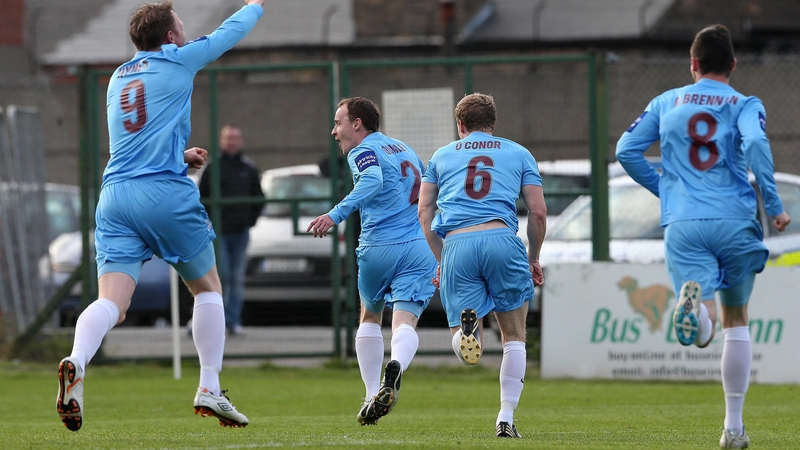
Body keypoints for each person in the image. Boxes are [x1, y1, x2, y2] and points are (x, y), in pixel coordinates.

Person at [55, 0, 265, 432]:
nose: (186, 29)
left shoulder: (117, 76)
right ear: (169, 37)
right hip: (163, 194)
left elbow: (138, 133)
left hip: (114, 196)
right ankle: (210, 386)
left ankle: (76, 360)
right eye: (181, 25)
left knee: (112, 302)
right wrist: (254, 5)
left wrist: (177, 153)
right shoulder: (178, 59)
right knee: (208, 289)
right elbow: (228, 33)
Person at [615, 24, 791, 449]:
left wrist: (668, 191)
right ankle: (733, 428)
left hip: (685, 223)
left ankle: (697, 312)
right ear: (732, 64)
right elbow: (756, 145)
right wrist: (774, 202)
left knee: (705, 327)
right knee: (738, 321)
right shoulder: (745, 103)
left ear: (693, 65)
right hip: (733, 219)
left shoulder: (666, 100)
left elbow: (626, 149)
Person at [418, 93, 547, 438]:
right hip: (502, 239)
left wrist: (440, 257)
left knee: (462, 344)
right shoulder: (519, 153)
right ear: (493, 124)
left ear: (460, 125)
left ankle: (465, 333)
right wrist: (533, 258)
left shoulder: (441, 156)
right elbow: (537, 212)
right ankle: (505, 417)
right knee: (515, 337)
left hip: (458, 242)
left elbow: (424, 212)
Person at [307, 97, 437, 426]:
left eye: (338, 123)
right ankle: (396, 367)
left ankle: (369, 395)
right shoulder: (404, 148)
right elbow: (431, 192)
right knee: (405, 321)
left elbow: (372, 181)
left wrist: (334, 214)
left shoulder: (362, 151)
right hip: (419, 245)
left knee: (370, 316)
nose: (333, 131)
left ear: (357, 124)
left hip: (380, 245)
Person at [199, 124, 264, 335]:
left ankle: (233, 321)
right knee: (222, 275)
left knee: (237, 278)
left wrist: (249, 220)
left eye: (235, 138)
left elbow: (259, 198)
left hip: (240, 232)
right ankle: (214, 322)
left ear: (241, 141)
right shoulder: (212, 168)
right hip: (218, 233)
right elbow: (202, 199)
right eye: (228, 138)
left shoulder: (249, 168)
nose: (232, 142)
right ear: (221, 140)